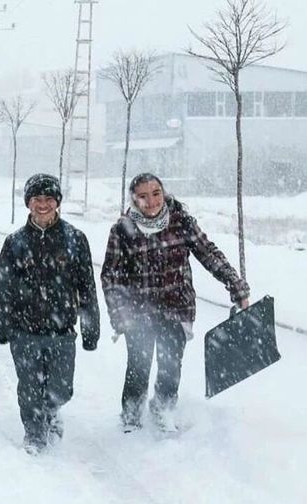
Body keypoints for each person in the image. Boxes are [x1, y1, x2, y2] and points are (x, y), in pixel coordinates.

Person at [101, 172, 249, 433]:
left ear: (164, 192)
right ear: (134, 199)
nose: (151, 201)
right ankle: (131, 420)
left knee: (170, 367)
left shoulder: (181, 222)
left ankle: (163, 411)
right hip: (139, 314)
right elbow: (111, 277)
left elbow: (209, 254)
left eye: (156, 193)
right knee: (138, 366)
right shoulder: (122, 230)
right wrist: (120, 314)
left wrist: (235, 285)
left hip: (176, 309)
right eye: (143, 196)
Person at [0, 174, 100, 455]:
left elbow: (87, 287)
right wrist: (2, 324)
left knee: (62, 389)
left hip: (62, 331)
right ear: (28, 203)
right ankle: (34, 432)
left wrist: (91, 328)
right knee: (29, 388)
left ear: (58, 202)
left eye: (49, 199)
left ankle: (51, 411)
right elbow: (0, 286)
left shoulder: (75, 239)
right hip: (24, 331)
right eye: (37, 199)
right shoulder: (15, 242)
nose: (43, 204)